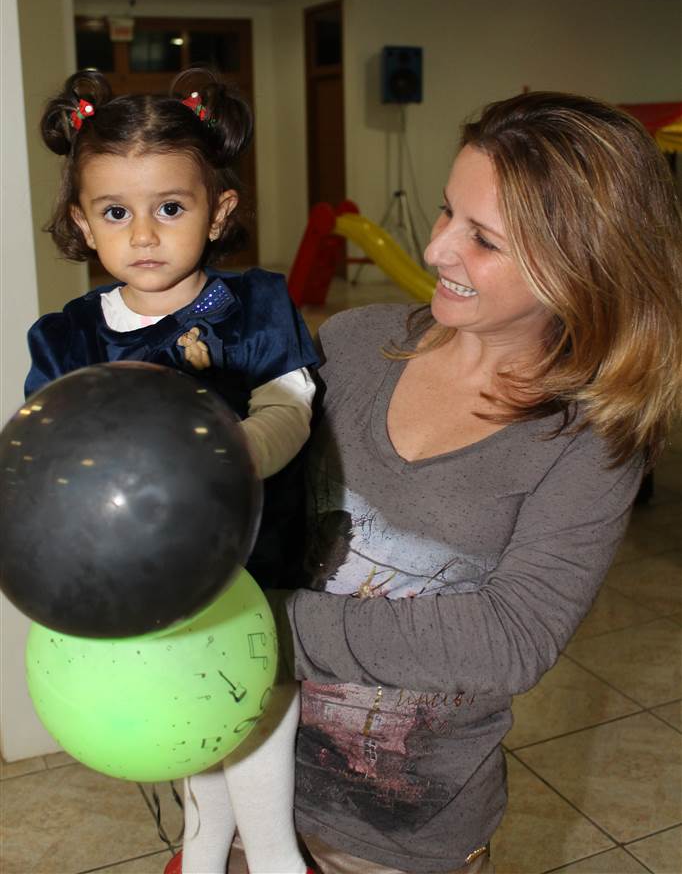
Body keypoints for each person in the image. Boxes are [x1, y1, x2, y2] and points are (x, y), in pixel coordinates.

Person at [265, 92, 682, 874]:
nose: (436, 250)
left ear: (578, 266)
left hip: (400, 840)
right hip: (250, 781)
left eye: (482, 239)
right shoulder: (349, 346)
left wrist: (267, 633)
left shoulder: (588, 441)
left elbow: (511, 636)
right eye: (446, 213)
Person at [27, 69, 318, 874]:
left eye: (172, 208)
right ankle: (204, 840)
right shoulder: (66, 339)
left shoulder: (255, 305)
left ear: (218, 211)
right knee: (184, 696)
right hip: (140, 565)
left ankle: (272, 853)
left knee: (251, 687)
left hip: (252, 549)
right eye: (117, 212)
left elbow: (291, 407)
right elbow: (46, 456)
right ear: (83, 223)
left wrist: (227, 459)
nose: (144, 234)